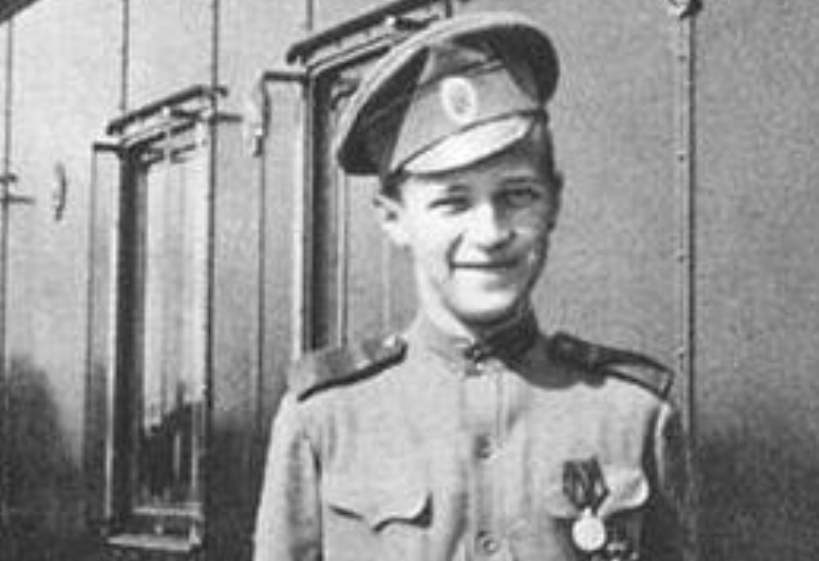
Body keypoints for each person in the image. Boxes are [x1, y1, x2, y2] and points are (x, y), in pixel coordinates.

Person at [254, 11, 692, 561]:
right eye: (453, 202)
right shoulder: (325, 419)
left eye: (518, 195)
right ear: (393, 218)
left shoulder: (632, 414)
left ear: (554, 203)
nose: (490, 233)